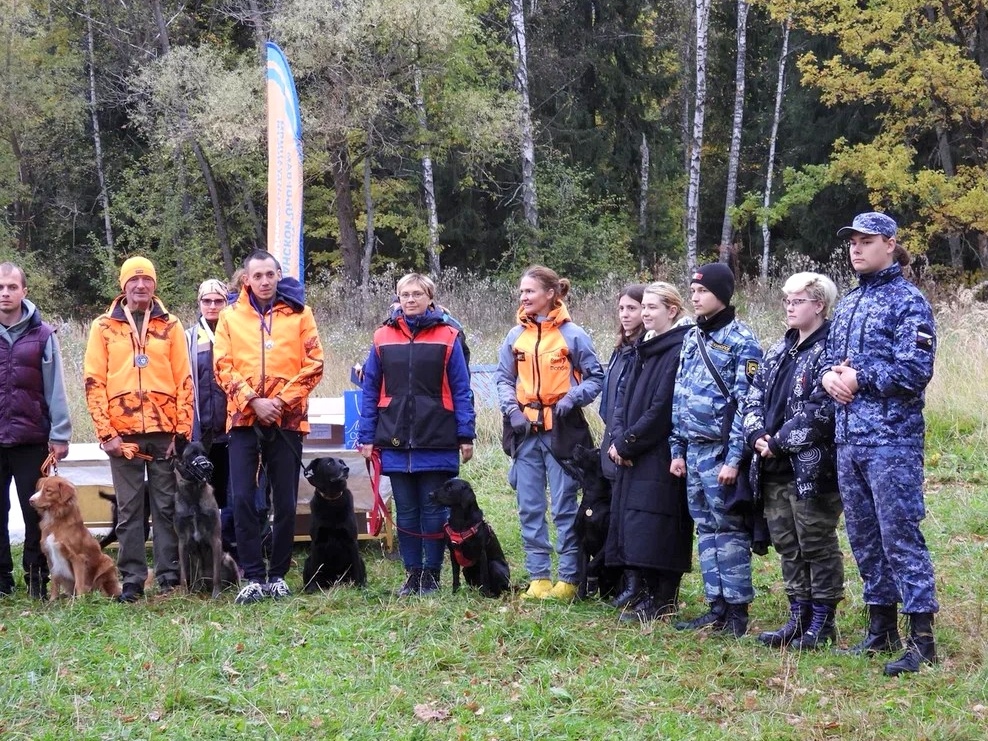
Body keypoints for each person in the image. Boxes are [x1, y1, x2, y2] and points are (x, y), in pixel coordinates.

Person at [822, 212, 938, 675]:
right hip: (849, 439)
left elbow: (915, 370)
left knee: (900, 537)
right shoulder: (850, 303)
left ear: (890, 244)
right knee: (865, 538)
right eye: (852, 241)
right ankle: (881, 628)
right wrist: (833, 378)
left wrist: (860, 377)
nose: (856, 249)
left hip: (892, 442)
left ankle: (922, 640)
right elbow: (833, 359)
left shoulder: (908, 302)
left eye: (866, 241)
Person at [214, 250, 324, 605]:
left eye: (269, 275)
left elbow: (315, 363)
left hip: (287, 420)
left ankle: (277, 574)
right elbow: (222, 365)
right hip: (244, 419)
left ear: (279, 275)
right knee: (244, 498)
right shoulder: (230, 316)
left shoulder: (300, 313)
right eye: (256, 275)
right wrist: (253, 401)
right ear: (246, 279)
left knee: (286, 500)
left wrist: (280, 402)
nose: (263, 281)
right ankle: (253, 576)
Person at [742, 272, 844, 649]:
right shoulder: (778, 349)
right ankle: (798, 615)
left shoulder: (831, 349)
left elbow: (823, 410)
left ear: (818, 304)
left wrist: (780, 442)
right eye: (787, 299)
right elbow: (753, 397)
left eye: (797, 300)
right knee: (787, 543)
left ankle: (822, 620)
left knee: (815, 541)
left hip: (812, 468)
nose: (789, 306)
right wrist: (756, 436)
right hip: (770, 467)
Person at [358, 273, 475, 596]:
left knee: (434, 510)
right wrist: (367, 436)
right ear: (398, 298)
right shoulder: (382, 337)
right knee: (407, 511)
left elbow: (462, 388)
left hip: (437, 435)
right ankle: (412, 573)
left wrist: (466, 434)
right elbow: (369, 390)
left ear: (430, 298)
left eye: (417, 294)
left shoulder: (449, 336)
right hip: (394, 436)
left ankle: (432, 575)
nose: (410, 300)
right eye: (405, 295)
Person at [84, 256, 193, 602]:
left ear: (155, 285)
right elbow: (93, 382)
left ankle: (168, 574)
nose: (141, 285)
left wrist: (182, 433)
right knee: (129, 509)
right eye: (134, 280)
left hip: (164, 432)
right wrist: (106, 434)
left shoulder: (171, 325)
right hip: (123, 434)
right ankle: (131, 577)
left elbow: (184, 380)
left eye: (147, 279)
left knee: (165, 506)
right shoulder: (103, 327)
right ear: (123, 285)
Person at [496, 265, 604, 601]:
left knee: (563, 506)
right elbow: (502, 379)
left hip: (563, 433)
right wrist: (511, 410)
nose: (523, 297)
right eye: (521, 292)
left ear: (550, 294)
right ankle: (538, 577)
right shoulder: (515, 337)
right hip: (525, 431)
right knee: (529, 506)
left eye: (529, 291)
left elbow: (596, 377)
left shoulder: (573, 335)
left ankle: (569, 579)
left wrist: (572, 398)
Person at [670, 262, 762, 637]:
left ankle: (737, 613)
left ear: (722, 295)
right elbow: (679, 394)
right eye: (692, 292)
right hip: (692, 452)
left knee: (729, 530)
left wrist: (735, 458)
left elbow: (747, 403)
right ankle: (716, 606)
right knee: (706, 530)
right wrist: (676, 449)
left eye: (702, 292)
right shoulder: (692, 338)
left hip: (722, 453)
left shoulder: (743, 341)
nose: (695, 297)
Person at [606, 282, 693, 621]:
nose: (644, 313)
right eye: (643, 307)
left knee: (660, 523)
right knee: (637, 522)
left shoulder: (676, 349)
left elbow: (661, 408)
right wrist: (617, 439)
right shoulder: (643, 346)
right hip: (632, 450)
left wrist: (629, 442)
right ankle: (641, 592)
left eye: (652, 307)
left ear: (671, 311)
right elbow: (623, 399)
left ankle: (662, 599)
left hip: (658, 451)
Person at [0, 262, 72, 599]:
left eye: (12, 287)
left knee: (35, 514)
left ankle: (35, 579)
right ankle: (2, 581)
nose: (5, 293)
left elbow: (55, 386)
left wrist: (60, 434)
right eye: (1, 287)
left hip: (31, 439)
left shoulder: (42, 335)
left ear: (24, 291)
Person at [598, 284, 646, 608]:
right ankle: (621, 581)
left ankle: (638, 583)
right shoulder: (620, 349)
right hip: (611, 441)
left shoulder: (646, 350)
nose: (626, 315)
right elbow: (608, 401)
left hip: (632, 445)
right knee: (616, 516)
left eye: (632, 308)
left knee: (633, 519)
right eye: (622, 309)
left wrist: (625, 440)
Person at [185, 278, 236, 556]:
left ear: (226, 303)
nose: (213, 306)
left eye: (218, 300)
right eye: (207, 301)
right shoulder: (189, 337)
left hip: (232, 431)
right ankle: (202, 553)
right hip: (200, 432)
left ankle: (229, 551)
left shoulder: (237, 334)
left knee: (231, 495)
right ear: (199, 303)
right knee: (202, 494)